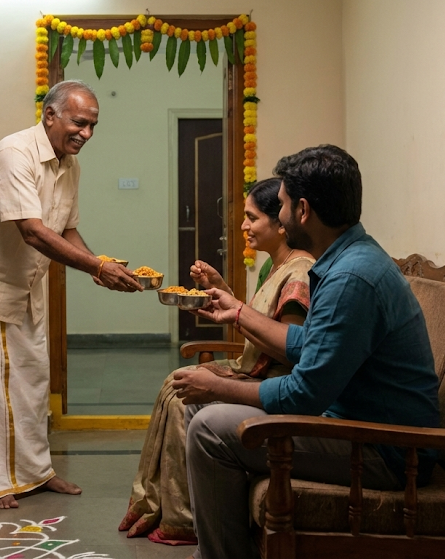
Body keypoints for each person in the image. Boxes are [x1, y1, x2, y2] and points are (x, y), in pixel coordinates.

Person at [174, 145, 441, 559]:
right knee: (198, 414)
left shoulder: (352, 278)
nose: (278, 217)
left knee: (209, 427)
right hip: (354, 426)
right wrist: (238, 312)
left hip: (383, 450)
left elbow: (303, 393)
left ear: (302, 211)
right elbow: (307, 344)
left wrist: (217, 387)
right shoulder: (348, 260)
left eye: (279, 206)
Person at [0, 79, 144, 510]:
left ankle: (35, 473)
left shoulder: (70, 165)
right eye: (79, 122)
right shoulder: (13, 153)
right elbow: (32, 230)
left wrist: (99, 267)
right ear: (50, 116)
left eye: (92, 126)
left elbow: (65, 227)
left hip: (25, 281)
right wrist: (96, 266)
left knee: (31, 381)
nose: (86, 133)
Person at [118, 177, 314, 545]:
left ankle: (186, 520)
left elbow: (287, 349)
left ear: (280, 223)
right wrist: (222, 291)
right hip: (255, 369)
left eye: (252, 218)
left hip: (271, 382)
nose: (243, 226)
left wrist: (235, 313)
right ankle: (161, 506)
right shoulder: (279, 265)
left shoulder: (299, 272)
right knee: (175, 383)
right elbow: (264, 324)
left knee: (181, 394)